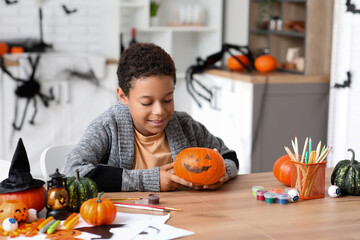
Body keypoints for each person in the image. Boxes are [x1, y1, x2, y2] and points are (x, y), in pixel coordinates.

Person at [62, 43, 239, 192]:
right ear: (123, 96)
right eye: (147, 102)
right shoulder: (108, 126)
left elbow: (229, 155)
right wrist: (150, 180)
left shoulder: (185, 125)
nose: (159, 111)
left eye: (167, 99)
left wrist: (222, 173)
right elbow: (72, 172)